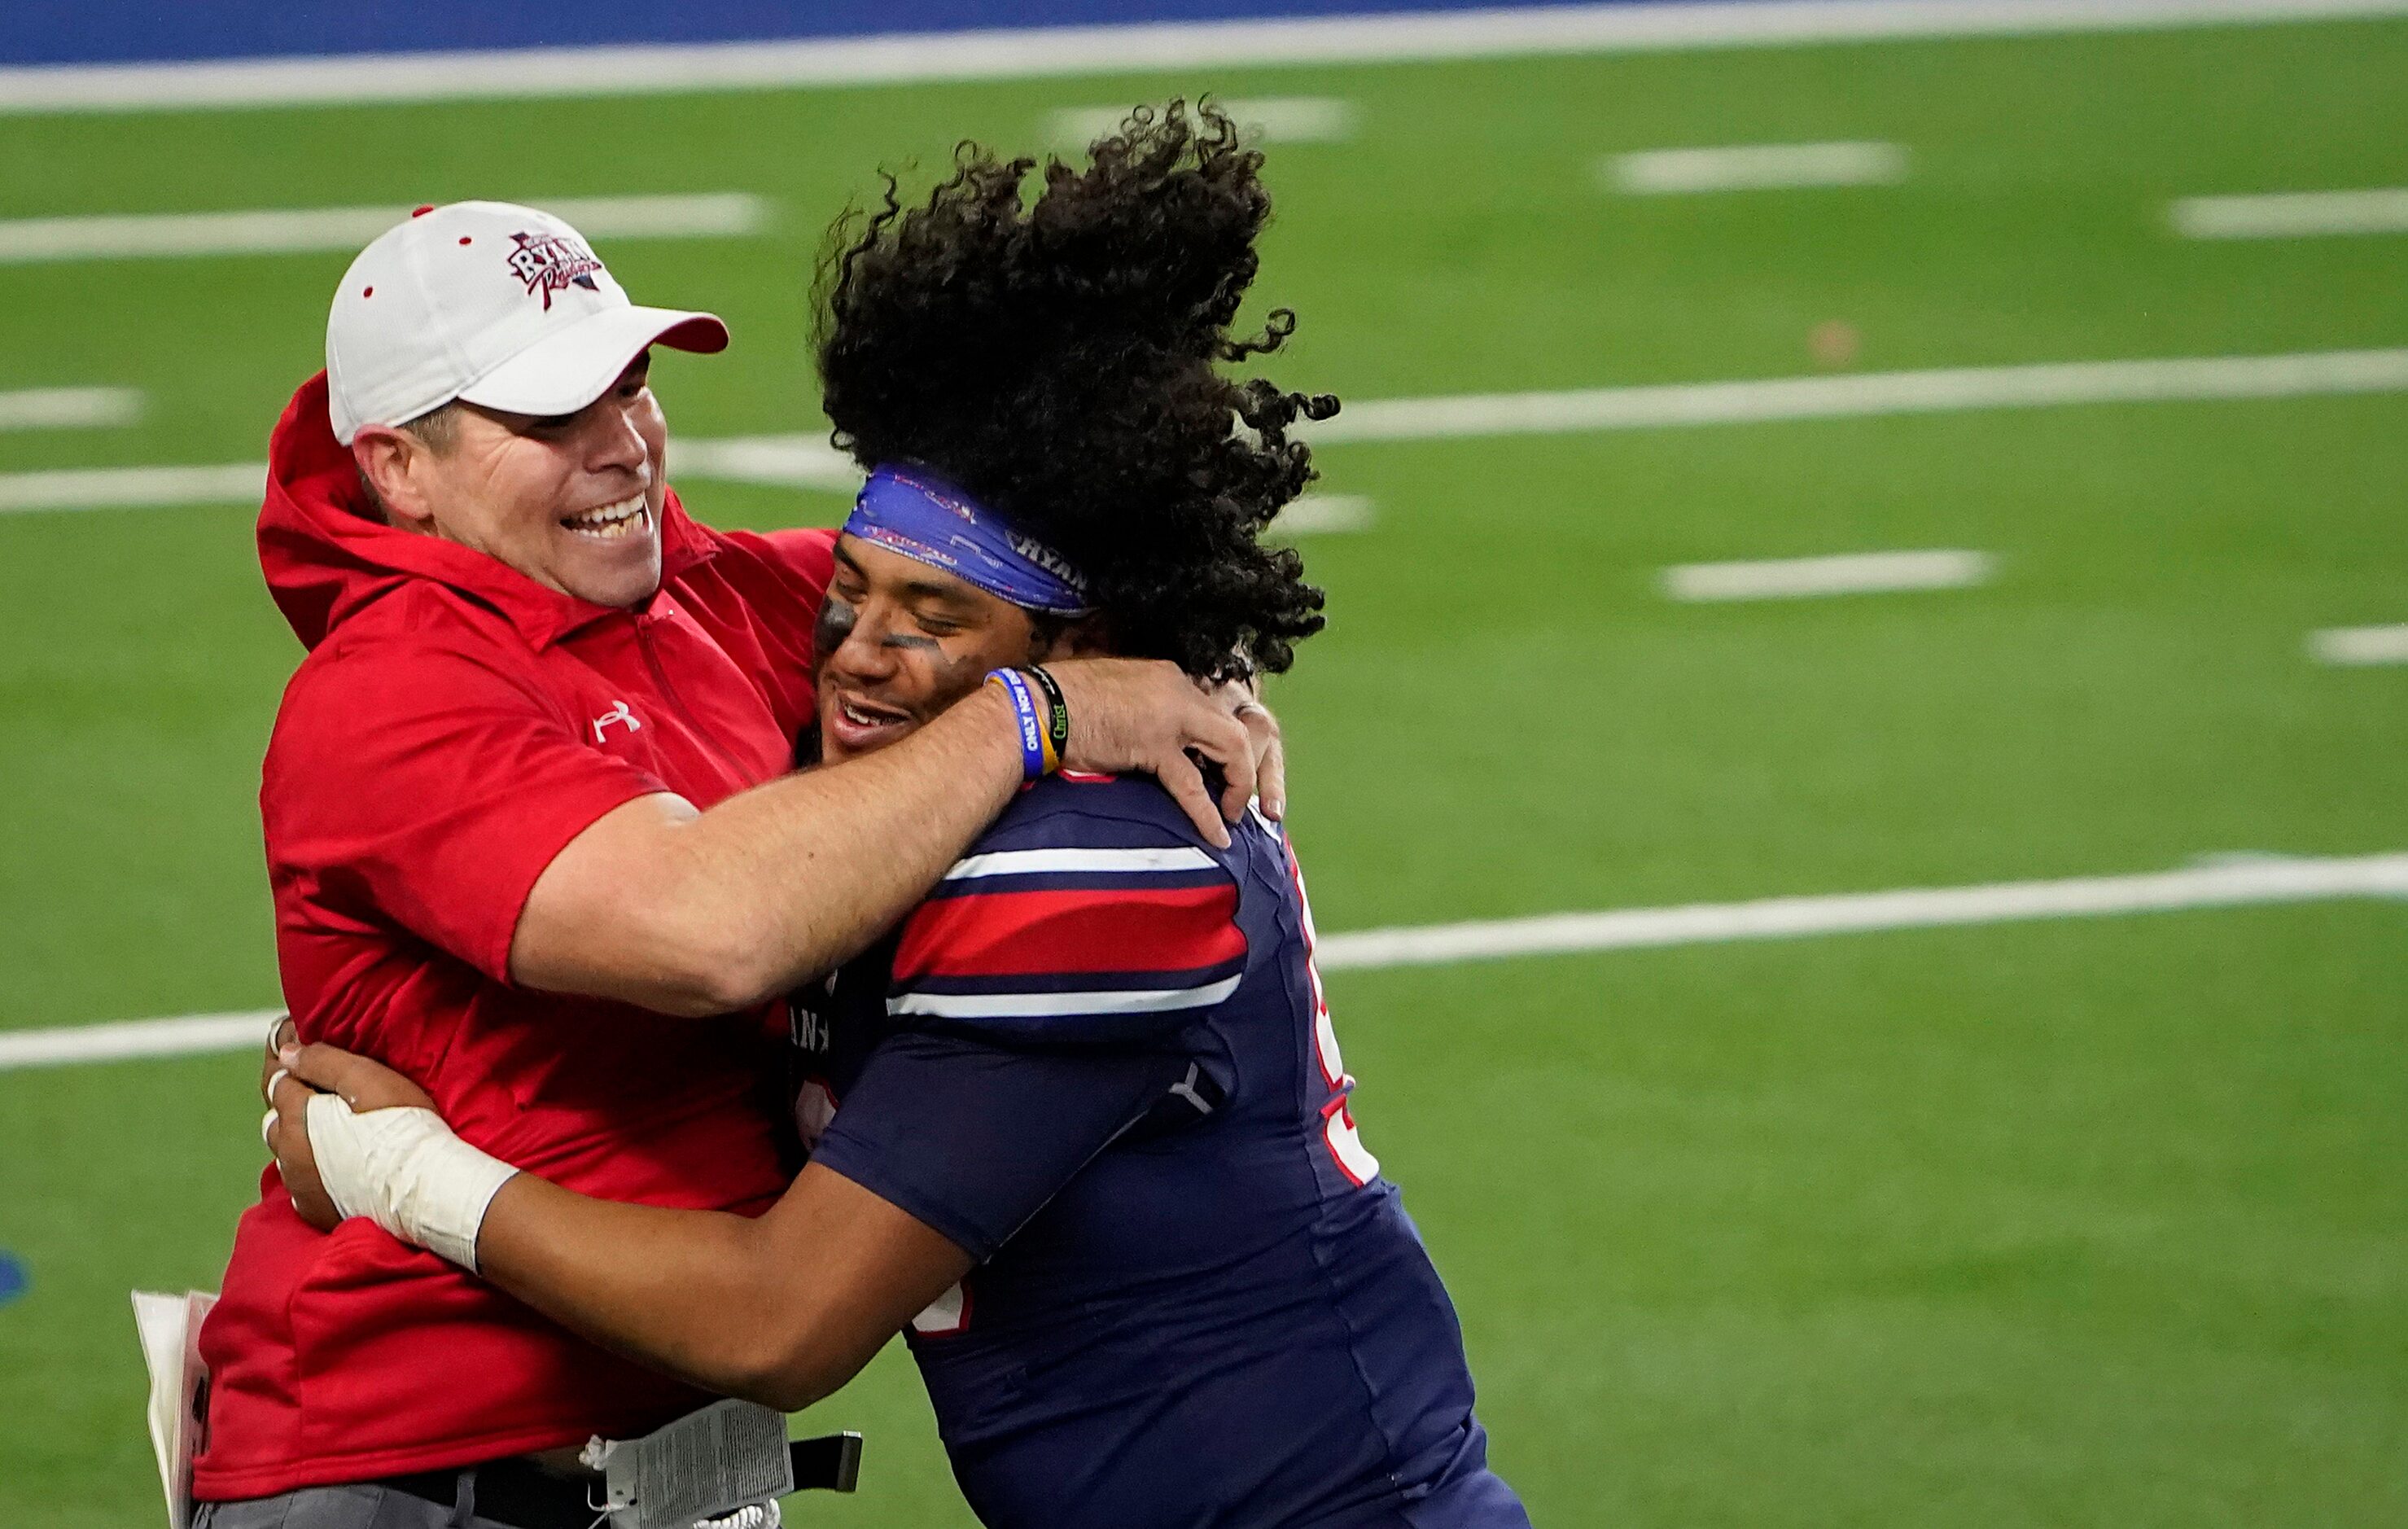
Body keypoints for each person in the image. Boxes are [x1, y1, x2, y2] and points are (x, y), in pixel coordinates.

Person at [274, 105, 1531, 1529]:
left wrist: (403, 1170)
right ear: (394, 466)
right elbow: (720, 910)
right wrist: (1053, 695)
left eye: (628, 384)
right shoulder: (408, 682)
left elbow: (780, 1322)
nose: (861, 649)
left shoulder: (1077, 868)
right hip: (425, 1470)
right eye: (548, 411)